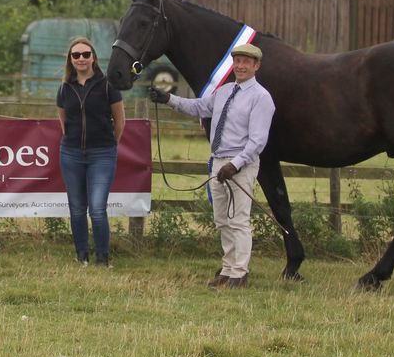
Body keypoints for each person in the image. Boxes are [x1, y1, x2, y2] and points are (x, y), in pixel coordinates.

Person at [150, 42, 275, 288]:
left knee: (238, 219)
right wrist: (168, 99)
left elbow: (258, 140)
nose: (240, 66)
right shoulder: (225, 91)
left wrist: (236, 164)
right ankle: (227, 269)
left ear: (256, 66)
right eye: (237, 61)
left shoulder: (261, 98)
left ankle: (240, 273)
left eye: (246, 62)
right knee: (222, 219)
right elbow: (199, 107)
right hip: (218, 160)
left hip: (240, 163)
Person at [56, 36, 126, 266]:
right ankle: (81, 256)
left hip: (102, 154)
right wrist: (72, 142)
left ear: (94, 58)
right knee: (76, 209)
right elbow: (63, 121)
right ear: (71, 59)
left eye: (86, 54)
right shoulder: (65, 88)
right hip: (71, 154)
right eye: (76, 55)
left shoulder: (108, 86)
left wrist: (110, 144)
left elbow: (120, 121)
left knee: (97, 209)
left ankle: (102, 259)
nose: (81, 58)